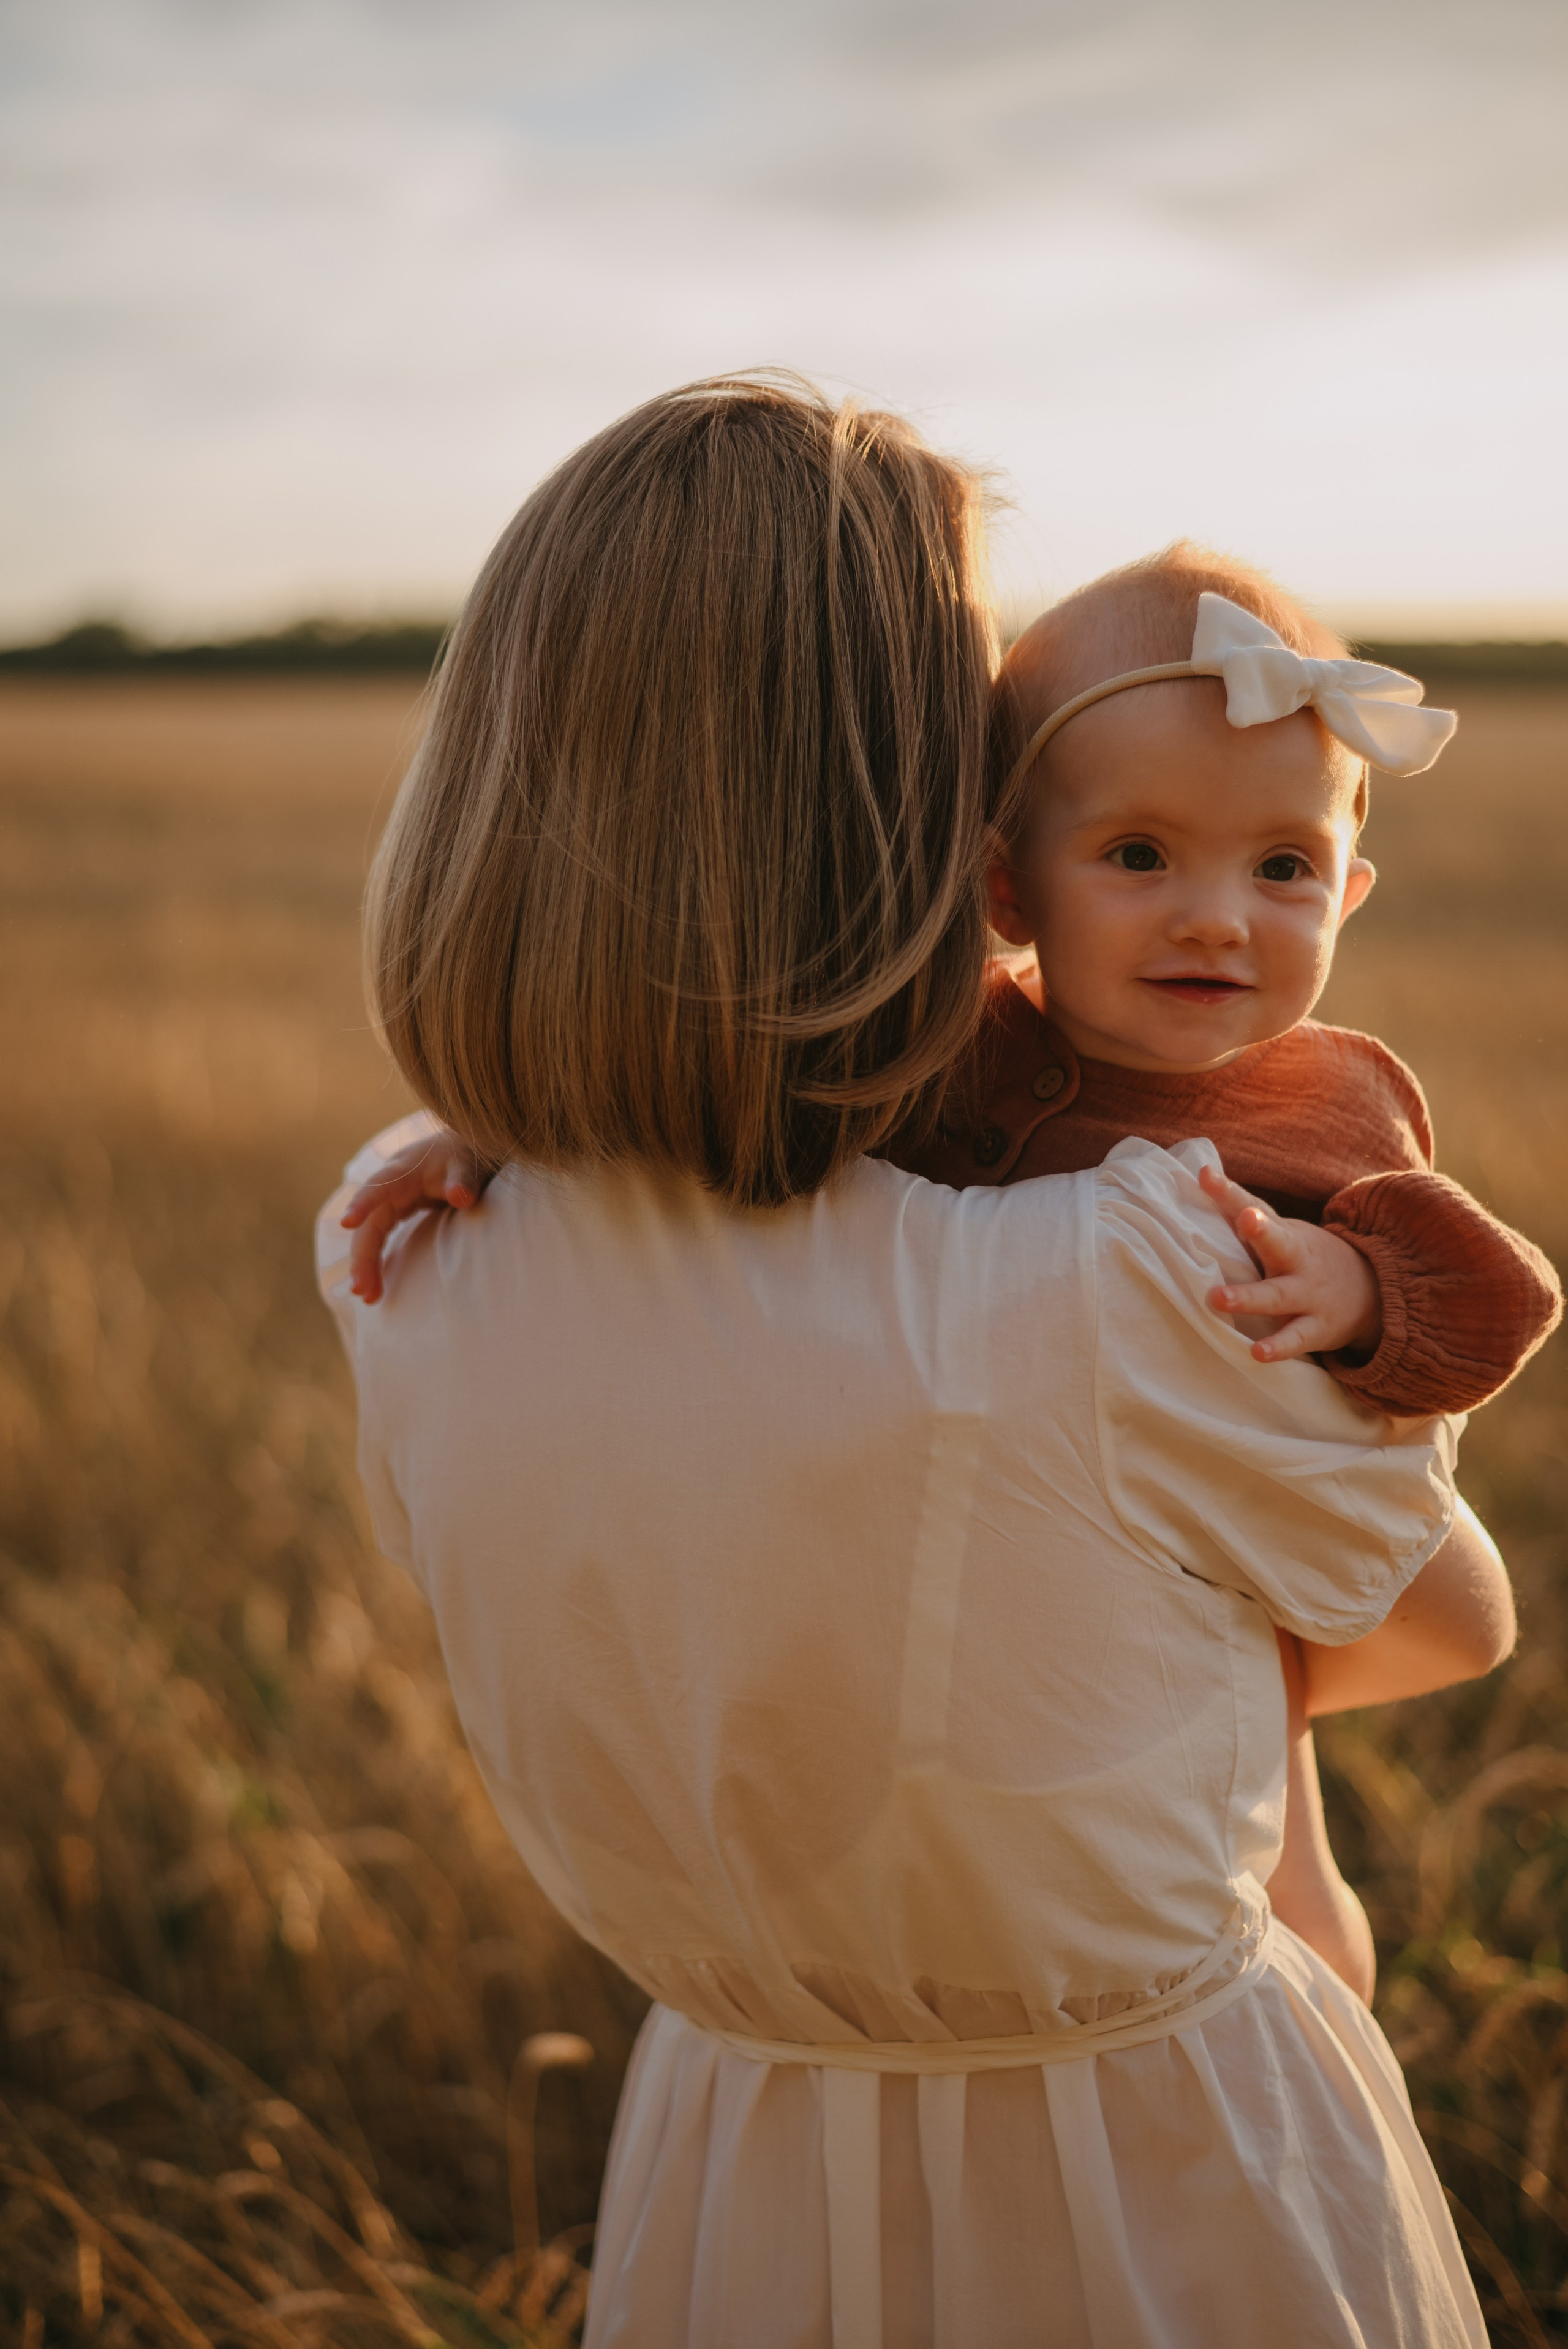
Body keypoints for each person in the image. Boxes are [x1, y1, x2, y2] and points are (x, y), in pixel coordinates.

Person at [318, 374, 1511, 2346]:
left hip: (734, 2142)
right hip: (1157, 2170)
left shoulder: (401, 1246)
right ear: (942, 838)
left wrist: (498, 1117)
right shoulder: (1097, 1279)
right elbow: (1444, 1613)